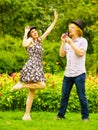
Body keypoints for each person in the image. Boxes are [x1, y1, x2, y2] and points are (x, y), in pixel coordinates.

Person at [11, 10, 58, 120]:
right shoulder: (30, 40)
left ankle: (26, 115)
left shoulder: (39, 41)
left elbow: (48, 31)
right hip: (32, 65)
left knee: (32, 92)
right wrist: (25, 33)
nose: (35, 32)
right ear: (30, 35)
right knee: (42, 85)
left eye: (35, 31)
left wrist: (55, 19)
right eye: (32, 32)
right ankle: (21, 85)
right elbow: (24, 44)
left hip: (37, 66)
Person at [56, 19, 89, 121]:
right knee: (64, 96)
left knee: (81, 96)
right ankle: (60, 116)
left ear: (78, 30)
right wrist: (63, 42)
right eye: (69, 28)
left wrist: (71, 43)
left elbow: (80, 53)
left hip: (79, 73)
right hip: (68, 73)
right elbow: (61, 54)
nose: (70, 29)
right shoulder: (67, 42)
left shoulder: (83, 41)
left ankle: (85, 117)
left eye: (72, 28)